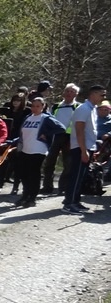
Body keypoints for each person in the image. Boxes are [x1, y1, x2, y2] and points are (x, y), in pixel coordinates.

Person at [63, 84, 107, 214]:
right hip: (80, 147)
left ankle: (75, 200)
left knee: (81, 176)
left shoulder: (92, 109)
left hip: (88, 146)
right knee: (76, 176)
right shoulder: (84, 109)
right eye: (101, 94)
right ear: (93, 94)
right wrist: (83, 150)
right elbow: (79, 130)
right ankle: (68, 203)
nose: (103, 97)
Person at [14, 97, 53, 208]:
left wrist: (46, 134)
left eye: (38, 106)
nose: (35, 108)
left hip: (38, 150)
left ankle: (32, 198)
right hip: (25, 149)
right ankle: (25, 195)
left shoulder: (46, 118)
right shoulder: (28, 117)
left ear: (43, 106)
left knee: (34, 174)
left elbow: (60, 128)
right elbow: (22, 133)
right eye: (33, 106)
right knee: (23, 174)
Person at [43, 84, 80, 195]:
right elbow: (49, 120)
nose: (69, 93)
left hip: (70, 137)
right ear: (63, 93)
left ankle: (63, 187)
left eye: (72, 91)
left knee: (68, 163)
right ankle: (47, 186)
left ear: (76, 94)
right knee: (49, 161)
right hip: (55, 136)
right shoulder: (56, 106)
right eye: (67, 91)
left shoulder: (79, 107)